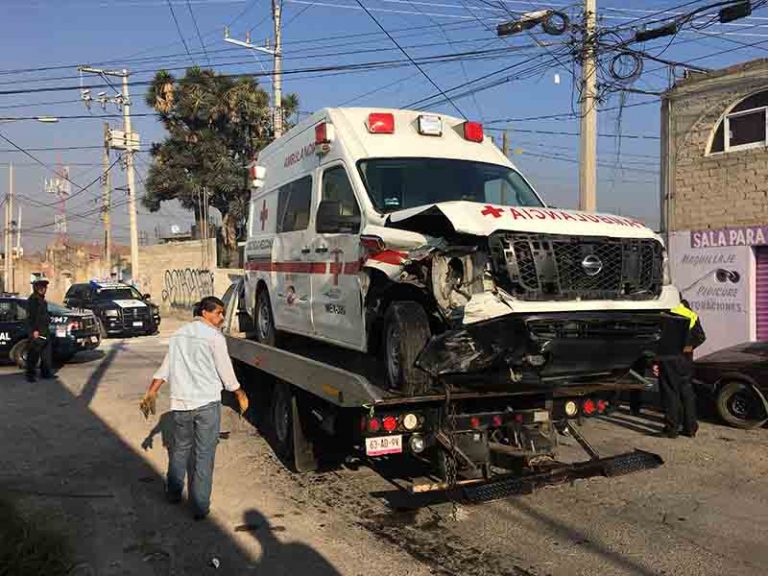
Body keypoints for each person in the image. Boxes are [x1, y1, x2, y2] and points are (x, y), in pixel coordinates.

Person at [139, 296, 249, 520]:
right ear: (206, 313)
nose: (221, 318)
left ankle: (173, 493)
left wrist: (152, 390)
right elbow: (225, 371)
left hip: (181, 404)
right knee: (204, 455)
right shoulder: (214, 337)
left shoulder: (179, 334)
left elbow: (165, 367)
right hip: (207, 404)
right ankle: (199, 507)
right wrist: (239, 392)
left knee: (179, 450)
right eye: (218, 313)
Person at [658, 297, 706, 438]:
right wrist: (686, 348)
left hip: (668, 358)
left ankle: (671, 429)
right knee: (687, 393)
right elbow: (701, 337)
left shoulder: (664, 313)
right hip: (686, 360)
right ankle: (690, 428)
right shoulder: (691, 314)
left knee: (670, 393)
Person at [26, 277, 53, 382]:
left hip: (45, 330)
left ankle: (46, 373)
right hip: (36, 331)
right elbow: (31, 317)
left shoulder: (42, 300)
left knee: (46, 354)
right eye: (42, 287)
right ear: (36, 288)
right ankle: (30, 375)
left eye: (45, 287)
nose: (44, 289)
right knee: (34, 354)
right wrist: (34, 331)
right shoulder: (33, 300)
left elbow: (43, 315)